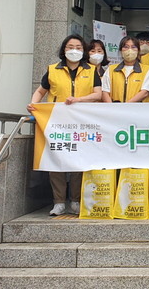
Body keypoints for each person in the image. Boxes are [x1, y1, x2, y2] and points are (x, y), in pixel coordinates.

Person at [27, 34, 102, 216]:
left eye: (78, 47)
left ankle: (75, 201)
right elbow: (40, 91)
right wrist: (34, 105)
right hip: (57, 123)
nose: (74, 50)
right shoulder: (53, 70)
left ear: (83, 51)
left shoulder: (91, 70)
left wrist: (79, 100)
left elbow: (98, 94)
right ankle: (59, 202)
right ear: (63, 50)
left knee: (78, 161)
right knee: (56, 161)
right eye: (70, 47)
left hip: (81, 123)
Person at [102, 36, 149, 103]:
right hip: (115, 108)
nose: (130, 50)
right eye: (126, 47)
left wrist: (126, 106)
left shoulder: (146, 69)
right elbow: (105, 91)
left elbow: (145, 92)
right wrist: (112, 107)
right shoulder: (111, 69)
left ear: (138, 51)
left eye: (133, 47)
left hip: (137, 108)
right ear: (121, 50)